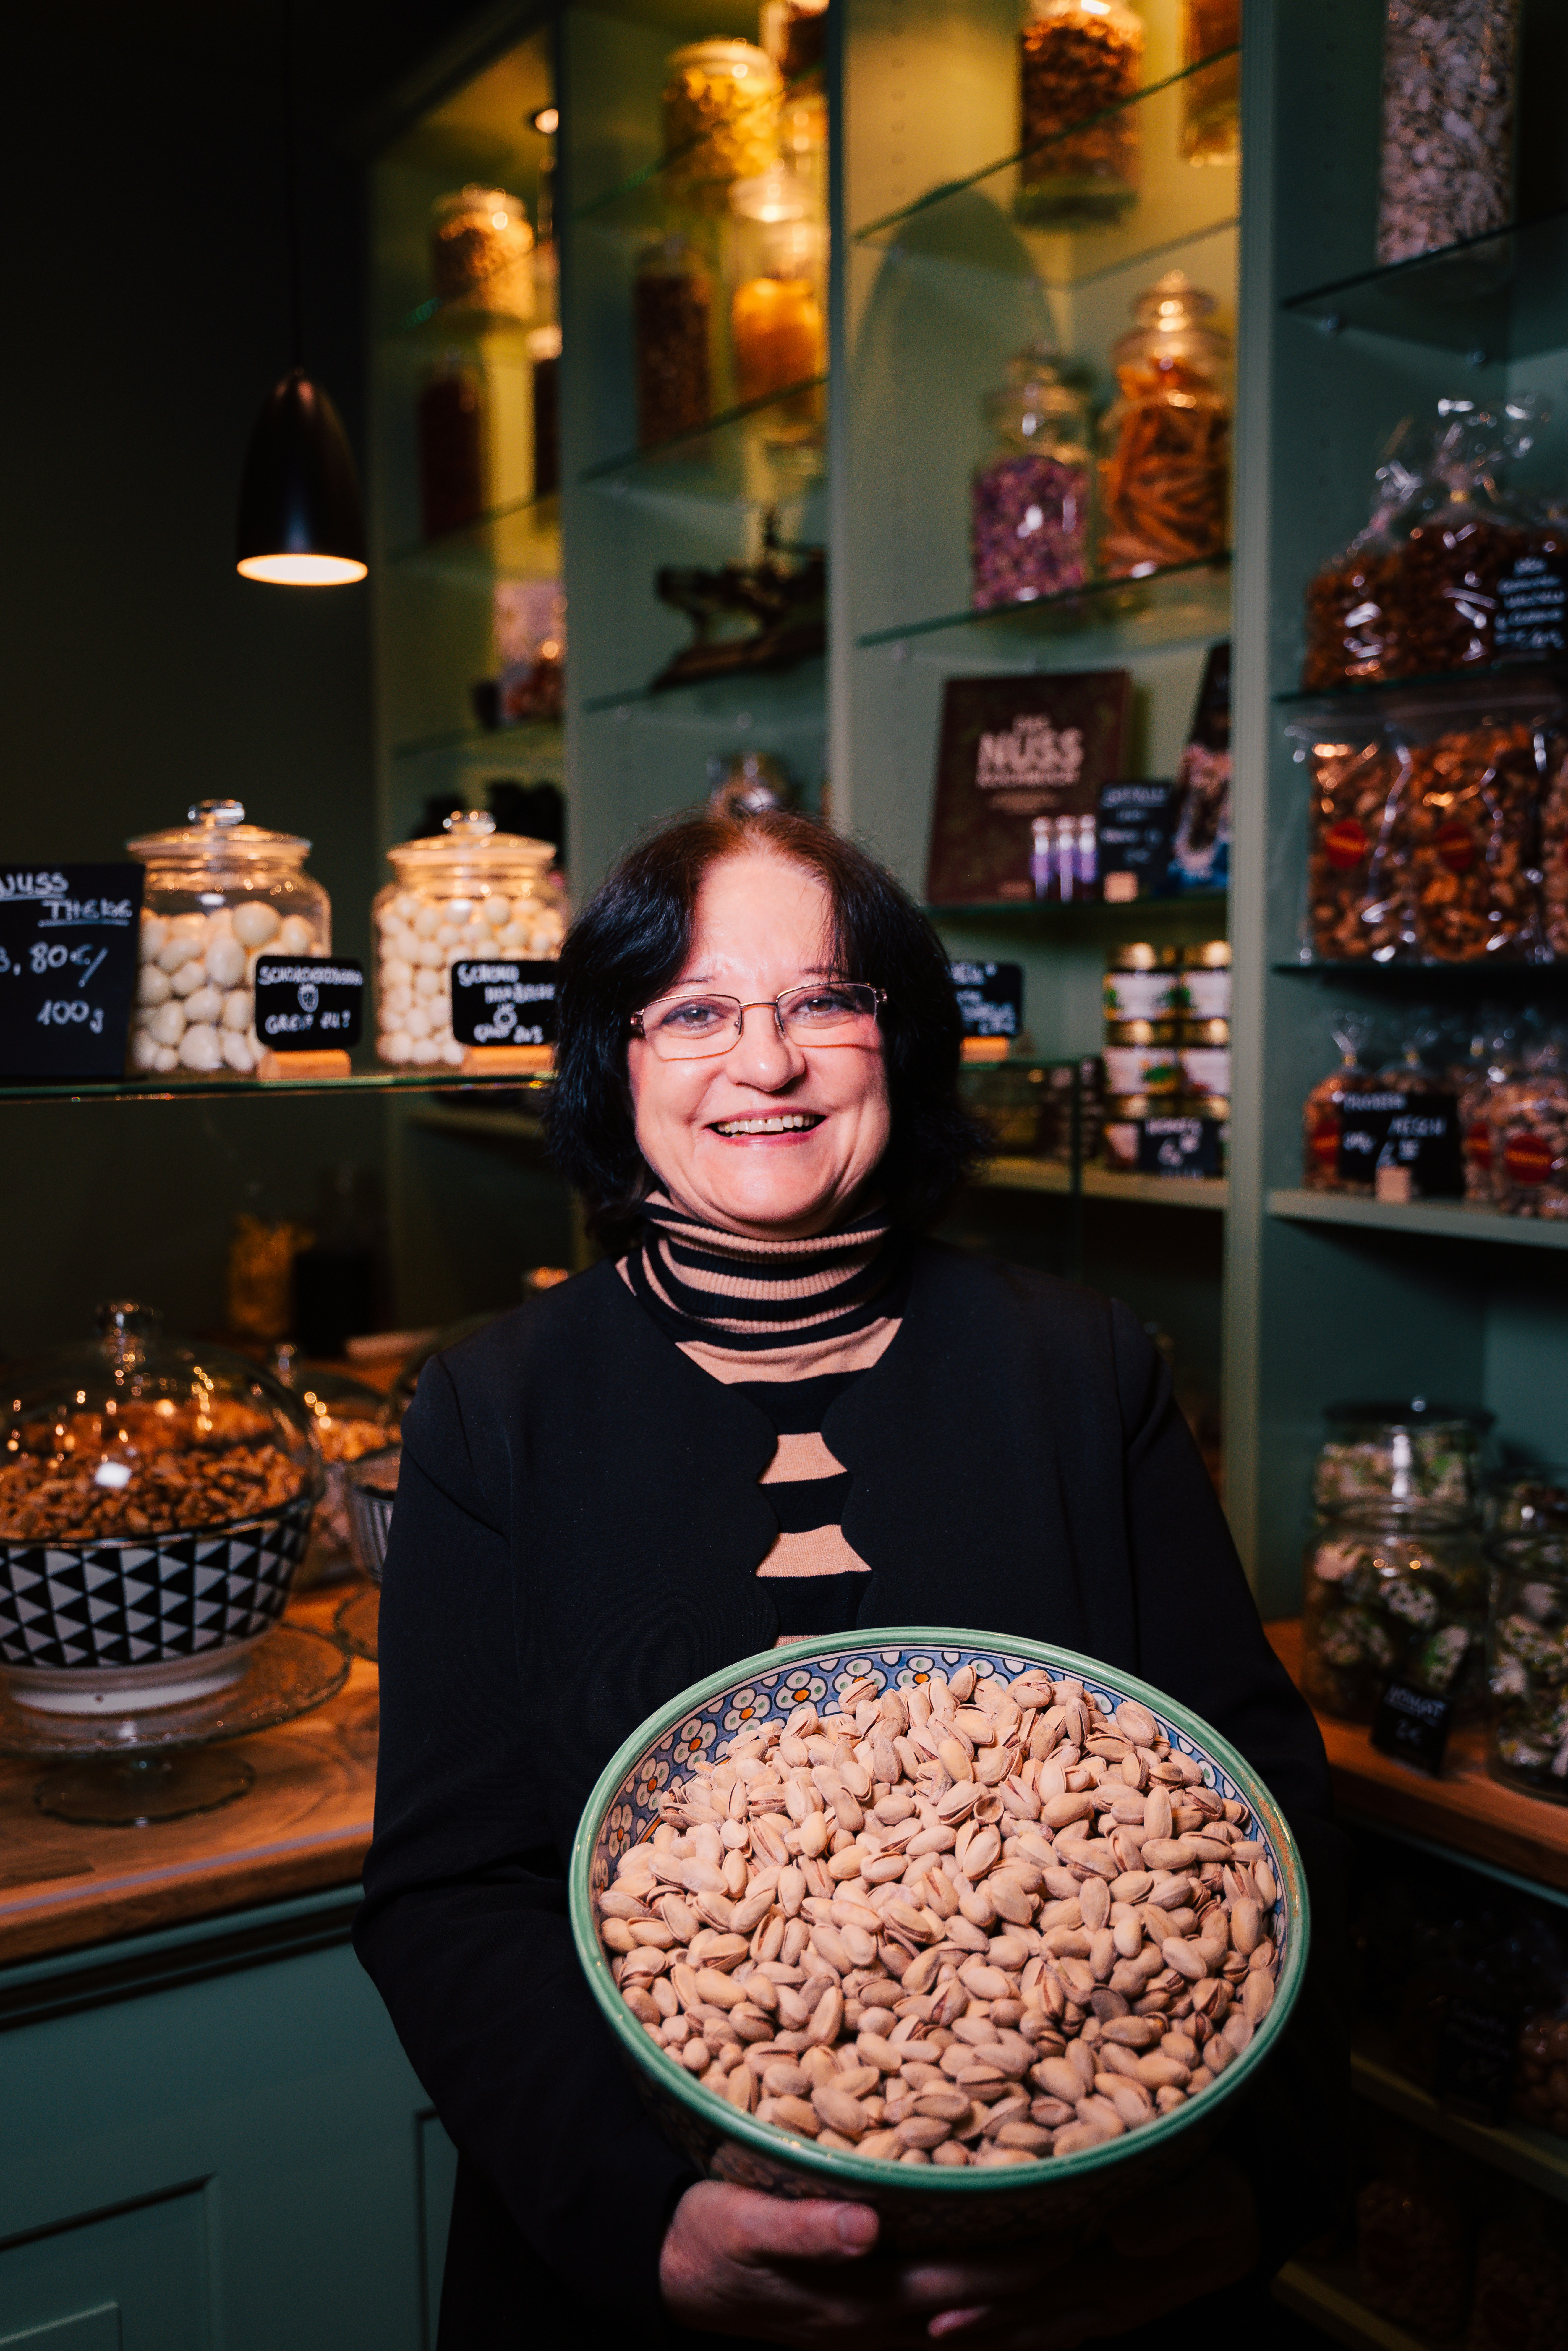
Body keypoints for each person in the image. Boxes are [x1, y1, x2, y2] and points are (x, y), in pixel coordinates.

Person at [356, 808, 1345, 2350]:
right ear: (615, 1063)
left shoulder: (1081, 1366)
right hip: (644, 2287)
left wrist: (1253, 2194)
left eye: (825, 1000)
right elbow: (447, 1894)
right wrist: (651, 2228)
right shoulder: (495, 1404)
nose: (767, 1064)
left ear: (902, 1042)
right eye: (692, 1011)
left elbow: (1259, 1819)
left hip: (1076, 2275)